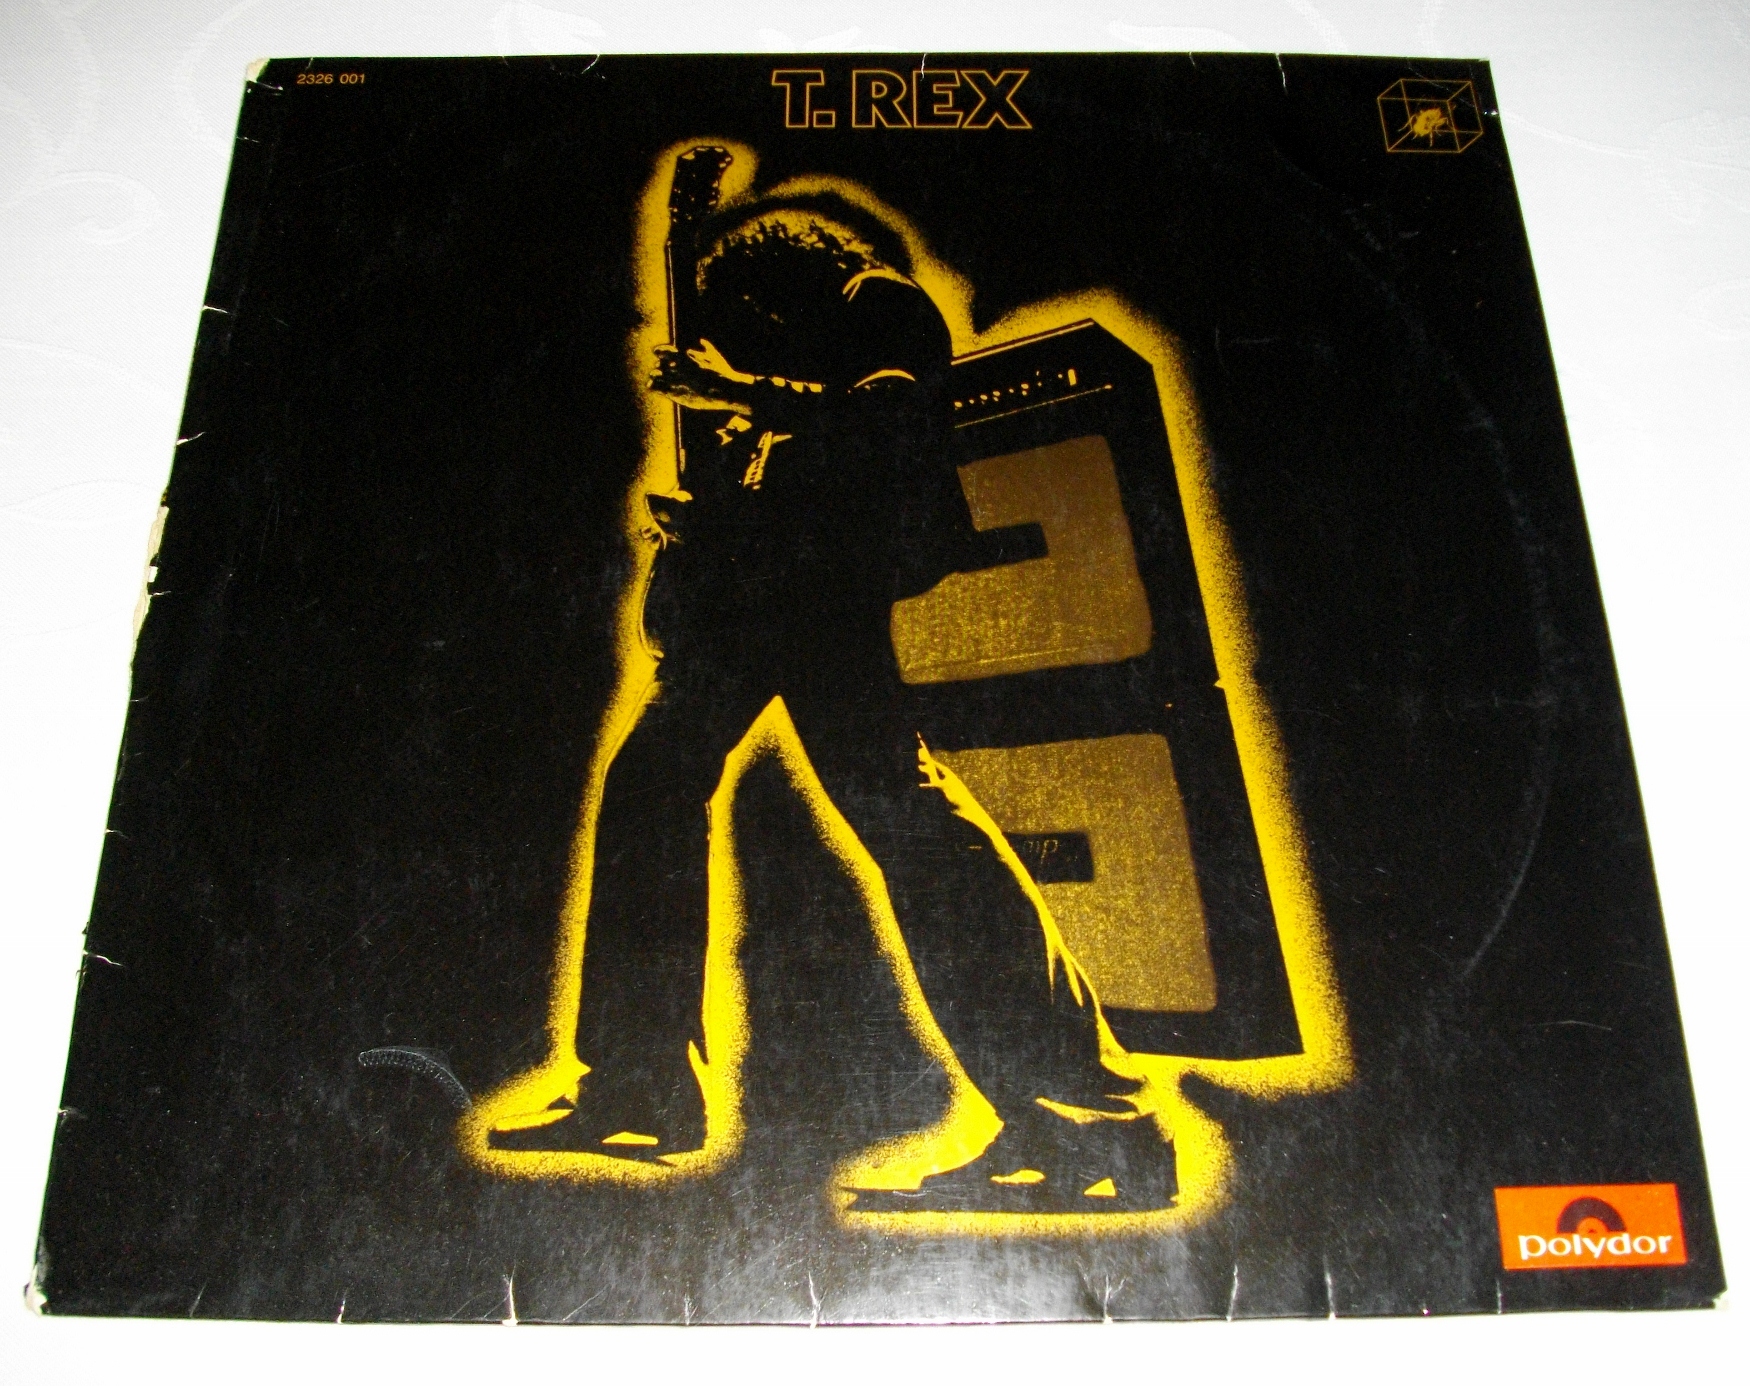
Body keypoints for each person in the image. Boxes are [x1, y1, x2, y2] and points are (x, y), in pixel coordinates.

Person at [490, 199, 1173, 1209]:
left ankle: (1088, 1114)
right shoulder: (792, 364)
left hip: (823, 594)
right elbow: (771, 475)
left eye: (752, 319)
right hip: (761, 601)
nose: (747, 342)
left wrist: (742, 394)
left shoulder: (877, 301)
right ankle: (639, 1088)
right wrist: (702, 521)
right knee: (659, 789)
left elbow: (886, 419)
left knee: (909, 823)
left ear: (779, 285)